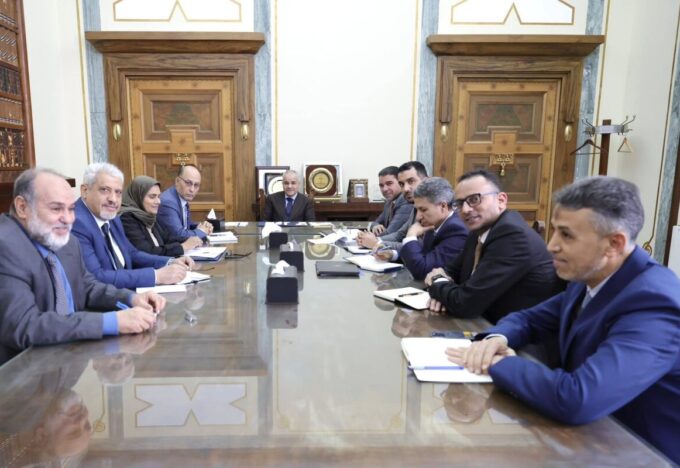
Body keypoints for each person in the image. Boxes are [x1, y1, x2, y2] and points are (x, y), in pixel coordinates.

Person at [447, 176, 680, 464]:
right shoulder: (591, 277)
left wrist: (497, 363)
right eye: (555, 231)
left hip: (640, 453)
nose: (551, 246)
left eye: (566, 235)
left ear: (613, 243)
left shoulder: (653, 303)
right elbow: (530, 318)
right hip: (588, 437)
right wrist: (497, 338)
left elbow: (577, 398)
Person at [0, 168, 165, 365]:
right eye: (56, 209)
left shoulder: (66, 240)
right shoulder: (5, 245)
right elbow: (24, 325)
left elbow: (87, 286)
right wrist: (111, 322)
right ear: (22, 207)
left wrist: (130, 298)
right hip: (24, 371)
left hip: (72, 358)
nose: (68, 219)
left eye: (71, 209)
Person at [425, 170, 561, 324]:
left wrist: (437, 284)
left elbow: (466, 303)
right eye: (460, 203)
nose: (466, 209)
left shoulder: (512, 236)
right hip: (484, 323)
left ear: (501, 200)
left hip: (518, 332)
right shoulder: (478, 231)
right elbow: (450, 271)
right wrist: (443, 291)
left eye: (474, 199)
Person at [72, 163, 192, 290]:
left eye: (118, 192)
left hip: (126, 292)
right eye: (105, 190)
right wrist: (156, 276)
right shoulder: (76, 223)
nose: (113, 199)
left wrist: (169, 262)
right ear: (85, 191)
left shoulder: (112, 216)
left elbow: (131, 253)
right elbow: (96, 277)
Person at [376, 177, 467, 280]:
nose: (418, 217)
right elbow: (424, 255)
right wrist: (394, 255)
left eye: (423, 210)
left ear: (443, 206)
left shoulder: (456, 230)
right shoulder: (434, 223)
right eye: (417, 210)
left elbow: (423, 271)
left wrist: (411, 235)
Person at [120, 175, 203, 257]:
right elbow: (147, 253)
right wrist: (183, 247)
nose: (158, 201)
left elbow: (167, 238)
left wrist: (191, 240)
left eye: (158, 196)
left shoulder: (148, 216)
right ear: (138, 196)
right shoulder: (127, 219)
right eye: (152, 197)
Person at [358, 161, 428, 250]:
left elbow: (419, 248)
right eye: (402, 184)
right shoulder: (413, 205)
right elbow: (400, 234)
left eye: (411, 181)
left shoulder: (432, 207)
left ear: (426, 181)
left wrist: (376, 243)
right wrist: (371, 240)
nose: (406, 189)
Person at [157, 164, 214, 240]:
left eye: (196, 185)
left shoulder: (181, 197)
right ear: (177, 181)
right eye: (188, 183)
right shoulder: (168, 203)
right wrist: (202, 231)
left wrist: (203, 226)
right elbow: (179, 235)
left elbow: (186, 226)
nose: (192, 189)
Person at [368, 166, 412, 236]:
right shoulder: (389, 201)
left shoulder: (405, 201)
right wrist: (376, 226)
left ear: (400, 183)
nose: (384, 189)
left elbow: (390, 233)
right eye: (381, 185)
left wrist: (367, 238)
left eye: (389, 183)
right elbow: (376, 222)